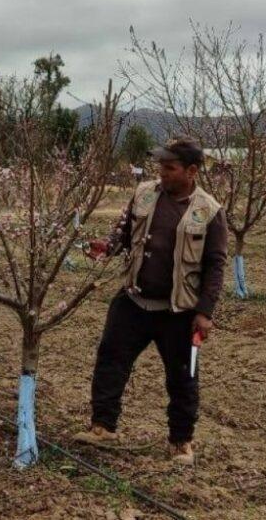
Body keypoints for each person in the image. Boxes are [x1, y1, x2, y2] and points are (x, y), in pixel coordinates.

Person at [74, 137, 227, 465]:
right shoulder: (144, 194)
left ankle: (181, 441)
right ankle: (103, 426)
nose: (162, 173)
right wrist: (107, 246)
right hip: (134, 300)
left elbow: (215, 265)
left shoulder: (209, 211)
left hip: (178, 310)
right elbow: (123, 234)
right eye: (160, 166)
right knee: (111, 361)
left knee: (183, 377)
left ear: (191, 171)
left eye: (170, 168)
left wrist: (205, 312)